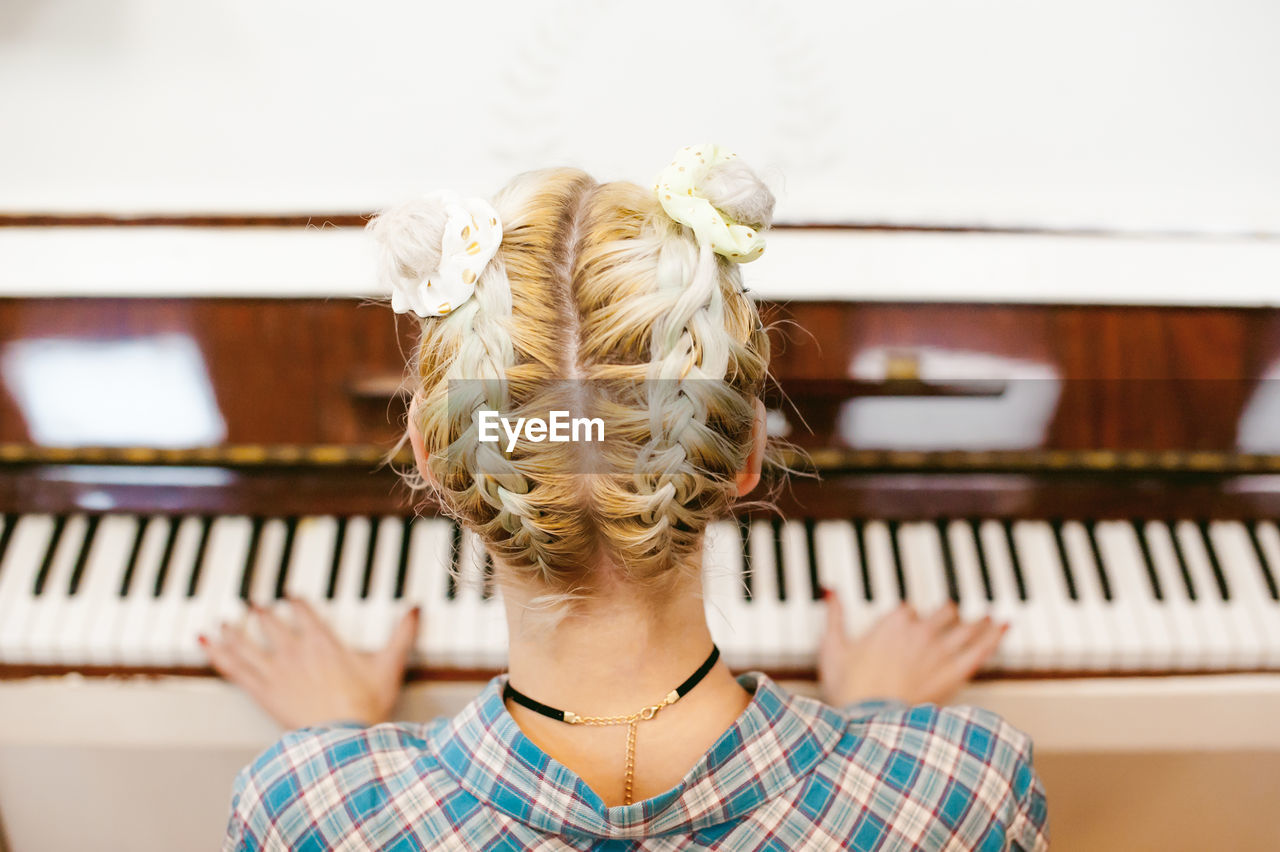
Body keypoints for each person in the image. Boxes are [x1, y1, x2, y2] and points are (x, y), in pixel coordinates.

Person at [207, 144, 1049, 850]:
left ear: (435, 454)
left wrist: (337, 753)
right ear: (747, 453)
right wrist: (881, 725)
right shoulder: (960, 786)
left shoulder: (303, 805)